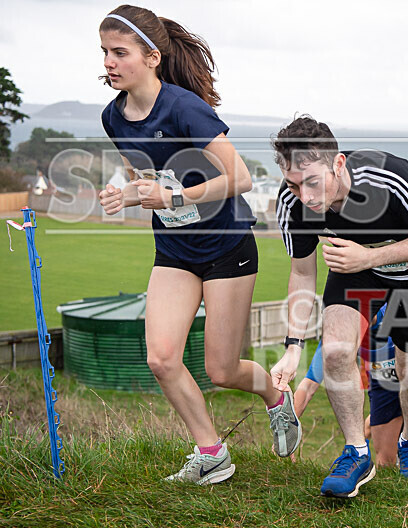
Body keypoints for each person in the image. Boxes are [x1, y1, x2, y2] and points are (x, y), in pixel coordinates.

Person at [96, 5, 300, 484]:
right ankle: (211, 452)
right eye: (104, 52)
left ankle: (275, 396)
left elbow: (241, 177)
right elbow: (149, 182)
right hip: (174, 249)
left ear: (151, 57)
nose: (108, 62)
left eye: (119, 52)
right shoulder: (114, 117)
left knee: (223, 370)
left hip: (227, 246)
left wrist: (174, 195)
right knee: (162, 357)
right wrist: (126, 194)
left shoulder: (185, 107)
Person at [272, 116, 408, 497]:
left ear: (338, 164)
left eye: (311, 182)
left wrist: (370, 259)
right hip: (354, 265)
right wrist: (293, 346)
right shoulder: (292, 203)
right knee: (337, 352)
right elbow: (303, 274)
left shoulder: (389, 177)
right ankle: (356, 451)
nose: (304, 195)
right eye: (293, 183)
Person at [295, 304, 408, 468]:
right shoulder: (342, 332)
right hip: (383, 381)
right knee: (385, 462)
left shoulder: (404, 315)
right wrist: (287, 434)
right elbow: (309, 385)